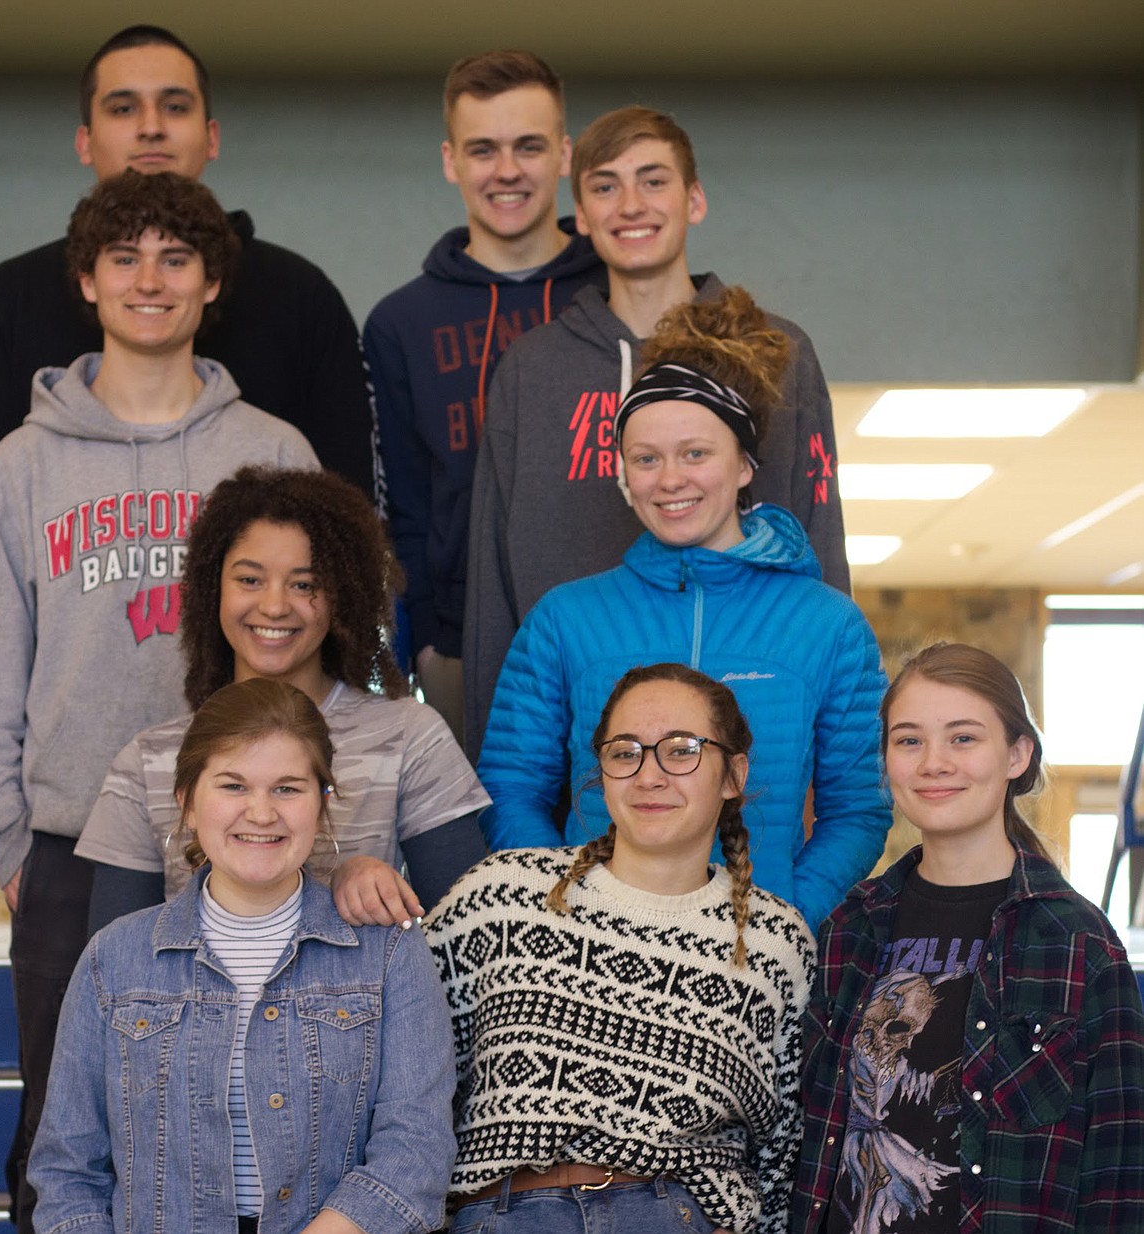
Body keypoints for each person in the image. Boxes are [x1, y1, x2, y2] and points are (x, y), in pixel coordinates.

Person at [0, 170, 318, 1233]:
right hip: (72, 854)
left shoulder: (271, 452)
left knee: (251, 1124)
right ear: (86, 279)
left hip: (247, 844)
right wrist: (11, 848)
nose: (150, 280)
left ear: (212, 281)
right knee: (67, 1140)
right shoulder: (22, 467)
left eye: (176, 257)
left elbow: (318, 664)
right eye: (124, 258)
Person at [476, 287, 889, 933]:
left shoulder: (829, 626)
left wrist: (787, 916)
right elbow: (509, 786)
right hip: (591, 946)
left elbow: (859, 811)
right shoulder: (565, 619)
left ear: (745, 464)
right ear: (624, 473)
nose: (669, 479)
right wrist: (564, 902)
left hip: (755, 963)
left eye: (695, 453)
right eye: (646, 459)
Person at [464, 105, 847, 760]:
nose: (630, 205)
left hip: (752, 738)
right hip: (575, 744)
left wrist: (827, 744)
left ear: (694, 200)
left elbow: (818, 538)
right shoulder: (532, 370)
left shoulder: (777, 351)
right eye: (605, 186)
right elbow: (492, 583)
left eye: (654, 180)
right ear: (580, 216)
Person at [30, 677, 456, 1234]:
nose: (260, 812)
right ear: (187, 801)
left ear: (323, 804)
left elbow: (416, 1150)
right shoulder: (113, 960)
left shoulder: (390, 953)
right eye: (233, 785)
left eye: (287, 788)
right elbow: (66, 1174)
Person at [425, 663, 814, 1234]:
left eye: (681, 750)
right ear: (601, 770)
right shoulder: (500, 895)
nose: (649, 775)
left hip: (677, 1214)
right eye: (625, 751)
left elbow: (785, 1150)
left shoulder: (776, 942)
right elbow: (399, 1072)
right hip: (505, 1214)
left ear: (733, 775)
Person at [793, 643, 1144, 1234]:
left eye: (963, 738)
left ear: (1016, 754)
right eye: (909, 740)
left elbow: (1120, 1178)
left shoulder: (1079, 944)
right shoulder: (849, 928)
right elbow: (805, 1139)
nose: (933, 762)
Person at [77, 464, 490, 933]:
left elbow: (465, 938)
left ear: (342, 596)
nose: (274, 606)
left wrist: (362, 879)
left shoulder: (411, 737)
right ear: (212, 587)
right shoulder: (146, 762)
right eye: (249, 580)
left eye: (304, 585)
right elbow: (112, 966)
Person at [0, 24, 372, 491]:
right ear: (84, 141)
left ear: (212, 137)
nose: (151, 127)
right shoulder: (4, 301)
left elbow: (350, 504)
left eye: (175, 107)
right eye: (123, 108)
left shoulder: (302, 296)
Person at [362, 49, 604, 741]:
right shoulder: (400, 322)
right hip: (463, 645)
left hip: (620, 625)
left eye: (529, 147)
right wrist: (428, 646)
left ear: (563, 156)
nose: (506, 171)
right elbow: (403, 505)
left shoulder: (617, 294)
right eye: (483, 149)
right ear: (451, 160)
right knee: (485, 850)